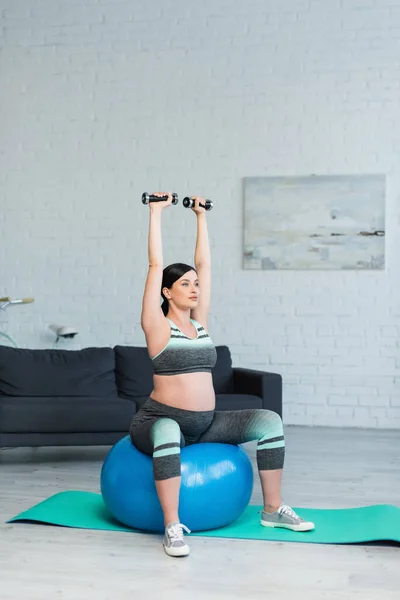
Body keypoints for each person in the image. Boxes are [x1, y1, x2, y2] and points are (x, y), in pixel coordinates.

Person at [129, 192, 314, 558]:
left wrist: (201, 217)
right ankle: (172, 527)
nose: (194, 288)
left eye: (195, 284)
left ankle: (273, 509)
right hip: (159, 420)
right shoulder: (157, 326)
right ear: (166, 292)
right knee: (167, 430)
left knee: (270, 421)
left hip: (205, 423)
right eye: (185, 284)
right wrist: (156, 213)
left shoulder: (200, 324)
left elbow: (206, 266)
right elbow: (154, 265)